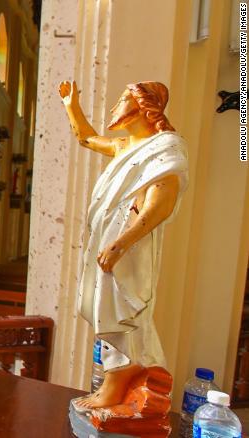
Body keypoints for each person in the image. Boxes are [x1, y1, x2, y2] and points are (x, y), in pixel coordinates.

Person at [59, 80, 188, 410]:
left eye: (121, 100)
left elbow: (161, 203)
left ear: (144, 107)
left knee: (123, 310)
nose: (114, 108)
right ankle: (123, 376)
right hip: (109, 243)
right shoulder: (125, 147)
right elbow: (85, 137)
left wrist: (121, 244)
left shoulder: (164, 148)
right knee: (107, 309)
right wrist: (71, 105)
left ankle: (118, 382)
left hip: (132, 245)